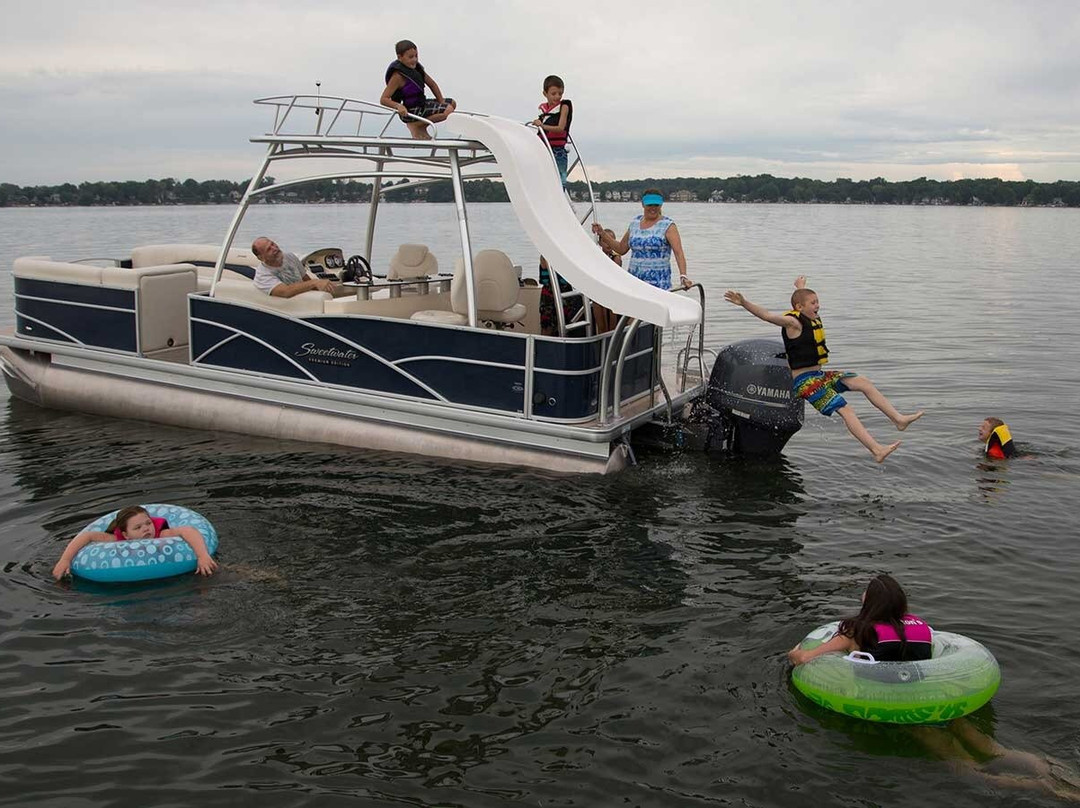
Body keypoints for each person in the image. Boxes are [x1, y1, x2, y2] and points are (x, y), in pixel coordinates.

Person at [724, 276, 924, 463]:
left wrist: (800, 287)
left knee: (863, 382)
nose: (817, 305)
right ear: (799, 307)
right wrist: (744, 302)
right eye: (813, 303)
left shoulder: (808, 315)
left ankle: (898, 420)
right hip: (806, 383)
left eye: (817, 302)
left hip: (819, 376)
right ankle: (876, 450)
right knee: (846, 410)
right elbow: (767, 316)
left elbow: (801, 299)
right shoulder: (793, 323)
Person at [787, 574, 932, 665]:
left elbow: (804, 659)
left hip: (871, 692)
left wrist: (794, 652)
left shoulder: (857, 630)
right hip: (917, 693)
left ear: (870, 600)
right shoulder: (921, 626)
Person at [52, 505, 217, 580]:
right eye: (138, 527)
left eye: (148, 523)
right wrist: (65, 560)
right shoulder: (115, 539)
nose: (146, 529)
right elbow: (87, 536)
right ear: (126, 534)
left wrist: (202, 555)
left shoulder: (160, 535)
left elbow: (188, 530)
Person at [592, 190, 693, 291]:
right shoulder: (635, 223)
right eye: (650, 205)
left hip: (659, 285)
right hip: (634, 283)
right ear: (643, 204)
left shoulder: (668, 225)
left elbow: (679, 253)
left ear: (661, 205)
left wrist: (683, 276)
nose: (653, 208)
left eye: (656, 205)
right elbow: (621, 249)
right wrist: (602, 233)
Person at [380, 39, 456, 140]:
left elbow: (432, 84)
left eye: (416, 56)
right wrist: (398, 106)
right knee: (448, 110)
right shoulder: (398, 77)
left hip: (421, 104)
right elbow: (383, 99)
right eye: (411, 57)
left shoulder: (417, 70)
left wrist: (441, 100)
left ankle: (422, 126)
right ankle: (415, 125)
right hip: (410, 111)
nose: (415, 60)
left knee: (452, 103)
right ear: (400, 57)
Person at [250, 237, 344, 298]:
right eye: (269, 249)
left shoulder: (290, 257)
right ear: (261, 257)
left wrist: (319, 289)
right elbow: (285, 292)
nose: (275, 248)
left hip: (305, 298)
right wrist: (315, 282)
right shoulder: (263, 275)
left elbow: (305, 278)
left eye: (273, 244)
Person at [531, 75, 572, 187]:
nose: (557, 97)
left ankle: (560, 196)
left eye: (560, 93)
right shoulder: (543, 110)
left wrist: (542, 125)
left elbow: (560, 128)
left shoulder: (564, 106)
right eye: (553, 94)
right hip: (544, 148)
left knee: (559, 181)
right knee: (543, 179)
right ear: (545, 94)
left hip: (558, 150)